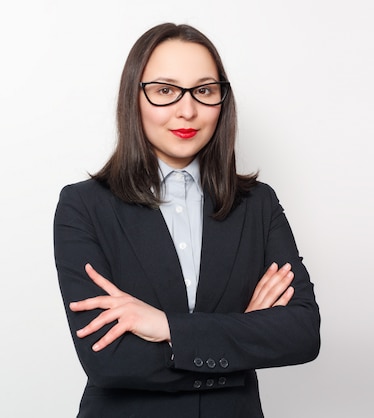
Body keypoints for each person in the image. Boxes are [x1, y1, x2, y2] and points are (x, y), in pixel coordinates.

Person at [53, 22, 320, 418]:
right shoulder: (84, 206)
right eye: (165, 91)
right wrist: (240, 336)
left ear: (222, 100)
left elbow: (301, 333)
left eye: (204, 90)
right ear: (134, 98)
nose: (187, 110)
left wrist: (166, 327)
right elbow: (109, 361)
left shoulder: (258, 205)